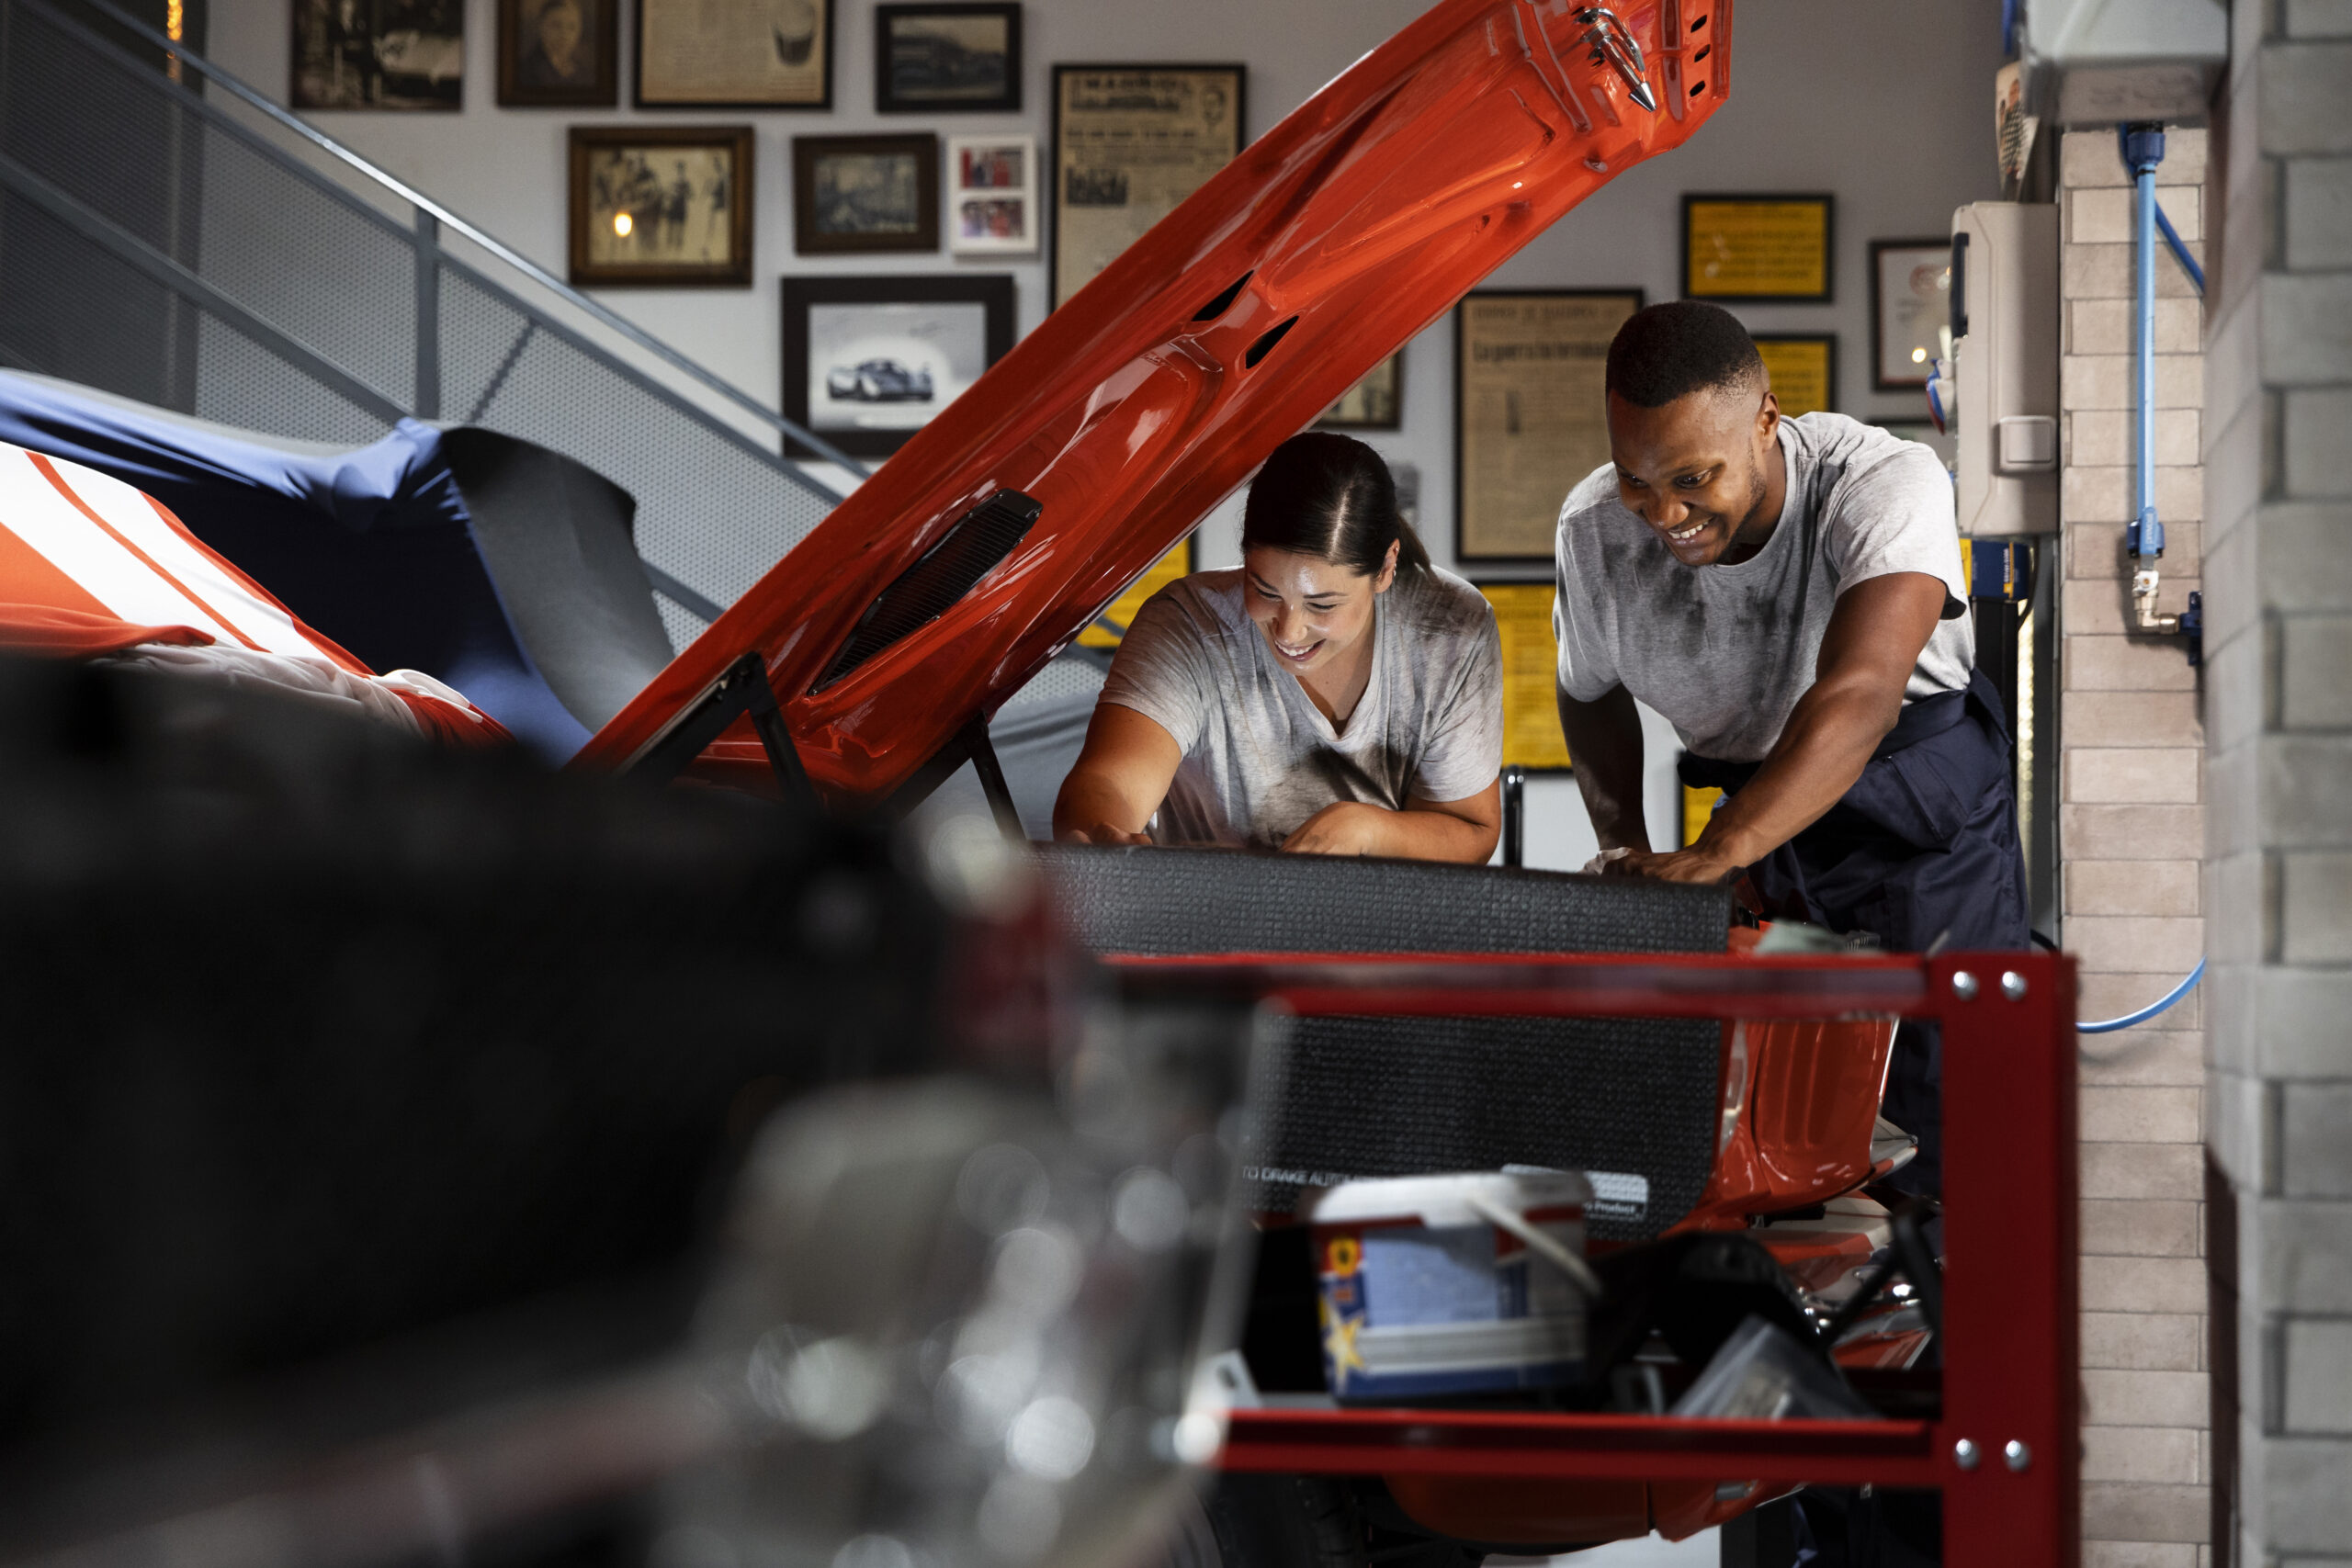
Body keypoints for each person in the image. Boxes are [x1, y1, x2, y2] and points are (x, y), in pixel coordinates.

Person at [1553, 299, 2028, 1195]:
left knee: (1947, 1131)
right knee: (1764, 1127)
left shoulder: (1884, 484)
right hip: (1760, 830)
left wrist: (1717, 852)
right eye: (1635, 478)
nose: (1663, 512)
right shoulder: (1591, 530)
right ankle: (1797, 1325)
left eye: (1692, 477)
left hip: (1918, 821)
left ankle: (1944, 1325)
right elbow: (1588, 694)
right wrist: (1627, 848)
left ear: (1767, 420)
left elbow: (1857, 695)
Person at [1055, 432, 1502, 861]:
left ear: (1385, 569)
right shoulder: (1187, 623)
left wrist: (1365, 828)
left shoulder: (1449, 629)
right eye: (1265, 591)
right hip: (1205, 921)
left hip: (1377, 928)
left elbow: (1470, 830)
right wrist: (1100, 832)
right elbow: (1110, 779)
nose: (1289, 632)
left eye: (1322, 603)